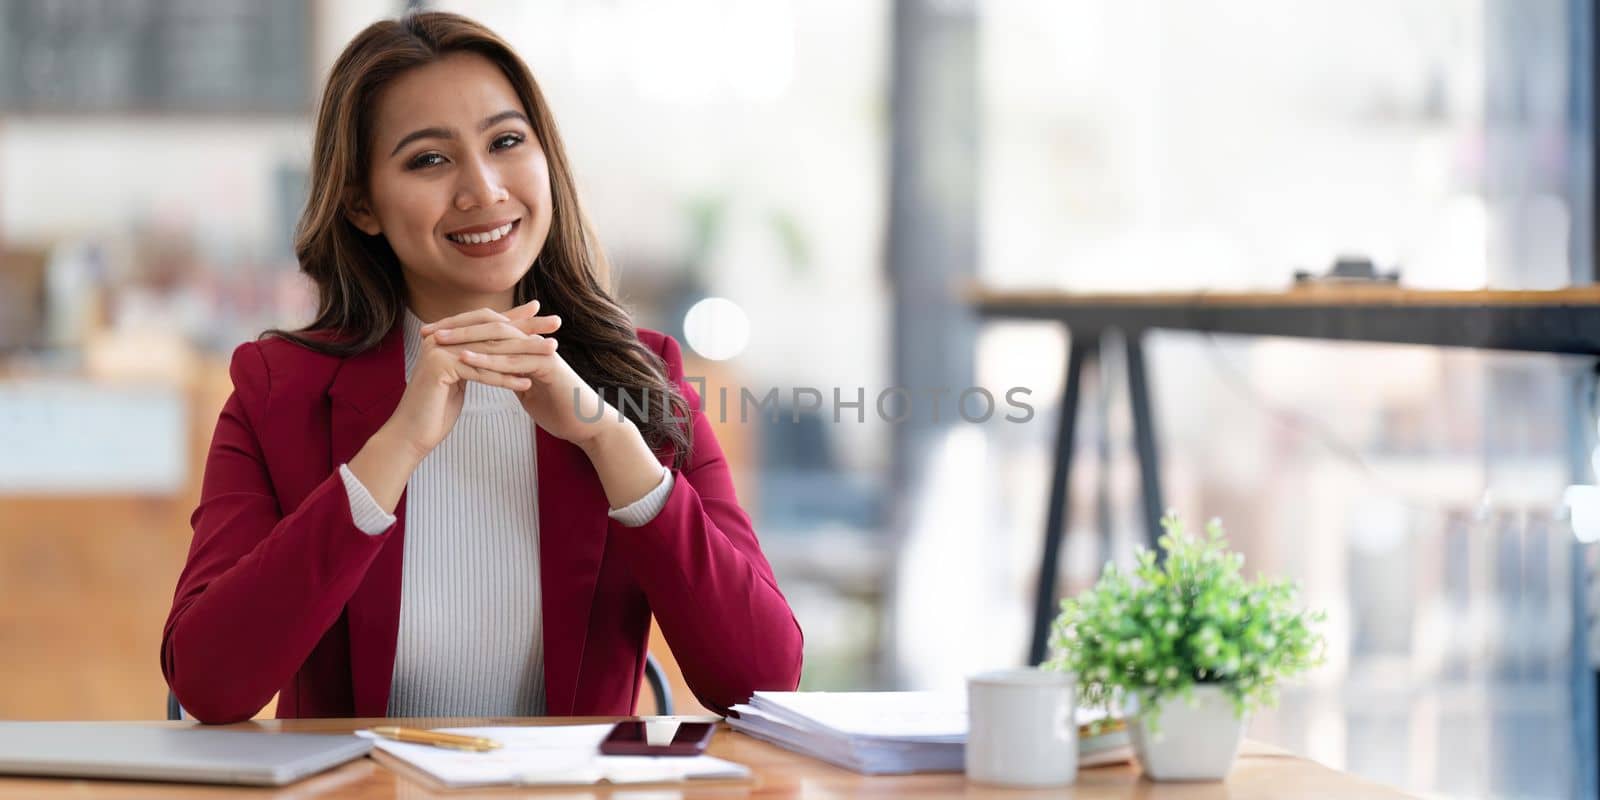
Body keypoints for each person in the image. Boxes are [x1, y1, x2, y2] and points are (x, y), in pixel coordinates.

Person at [161, 10, 803, 725]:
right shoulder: (278, 391)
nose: (483, 189)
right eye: (428, 159)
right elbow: (211, 685)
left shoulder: (642, 376)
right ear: (361, 204)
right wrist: (395, 448)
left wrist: (610, 441)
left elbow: (759, 676)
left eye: (506, 142)